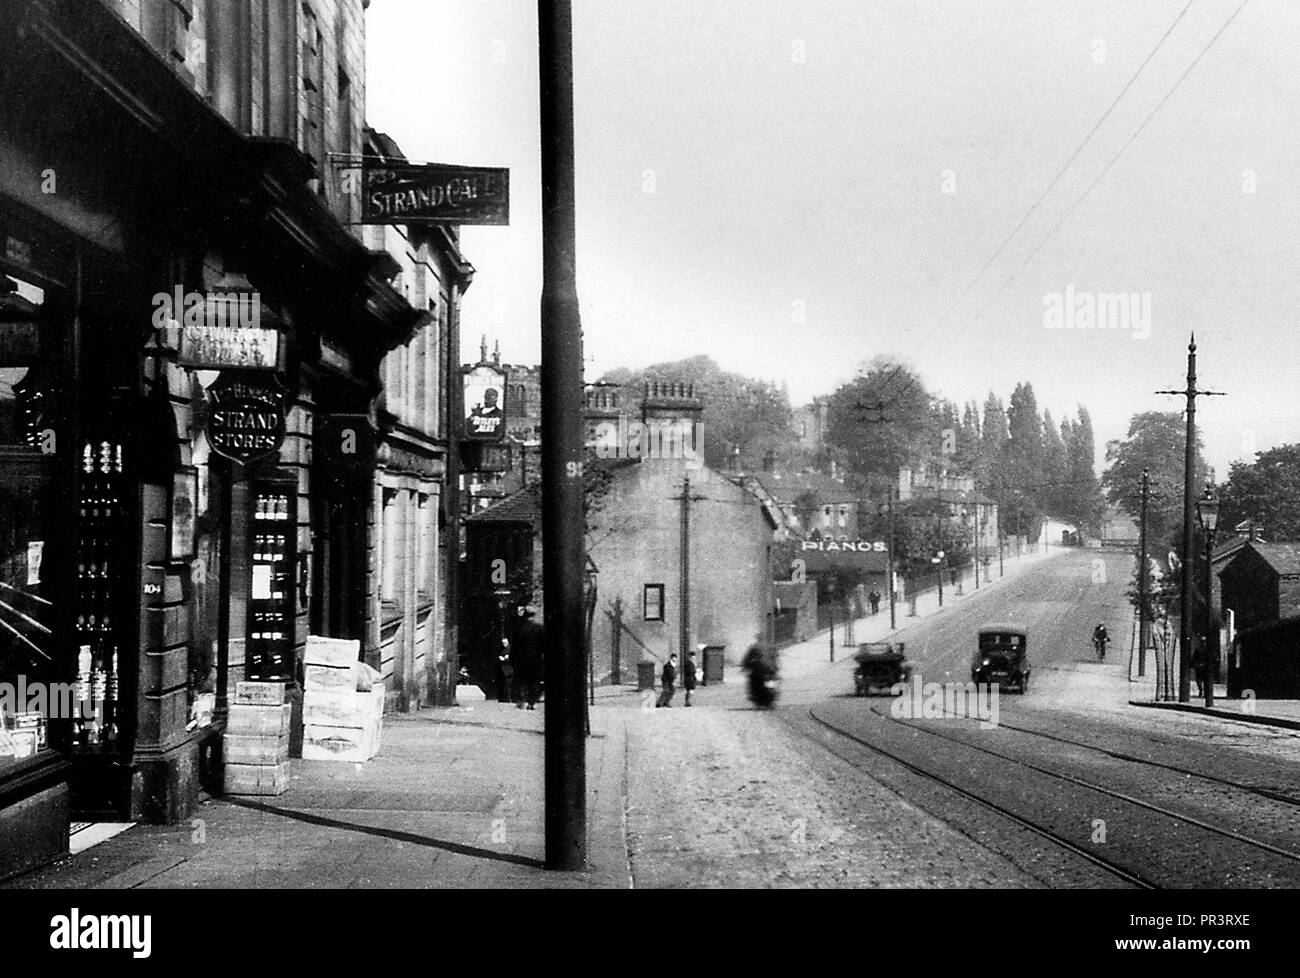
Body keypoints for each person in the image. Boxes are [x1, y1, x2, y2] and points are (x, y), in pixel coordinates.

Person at [511, 606, 544, 710]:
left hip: (520, 659)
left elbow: (514, 645)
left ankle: (520, 700)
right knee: (534, 681)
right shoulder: (539, 628)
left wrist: (512, 658)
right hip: (535, 659)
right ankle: (531, 702)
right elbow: (543, 645)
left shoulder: (518, 628)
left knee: (519, 680)